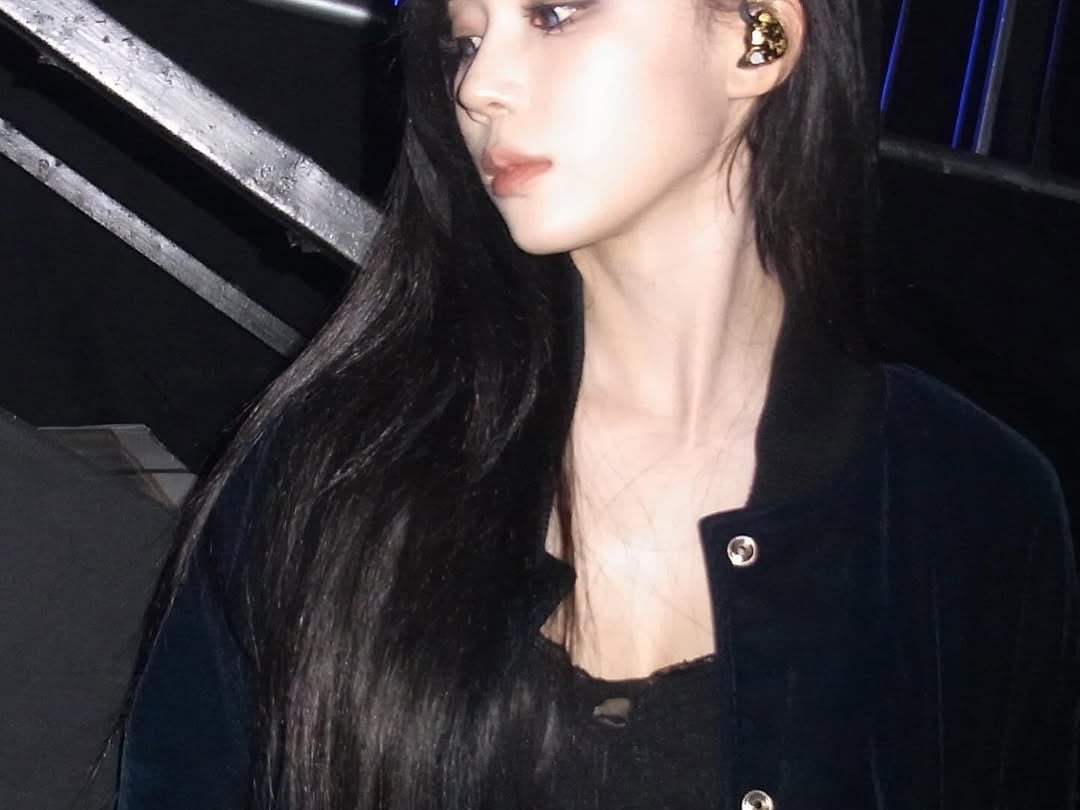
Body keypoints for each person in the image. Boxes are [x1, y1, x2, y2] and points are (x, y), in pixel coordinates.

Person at [115, 0, 1080, 808]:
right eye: (464, 40)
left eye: (553, 14)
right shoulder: (333, 466)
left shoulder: (969, 501)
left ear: (759, 38)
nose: (479, 85)